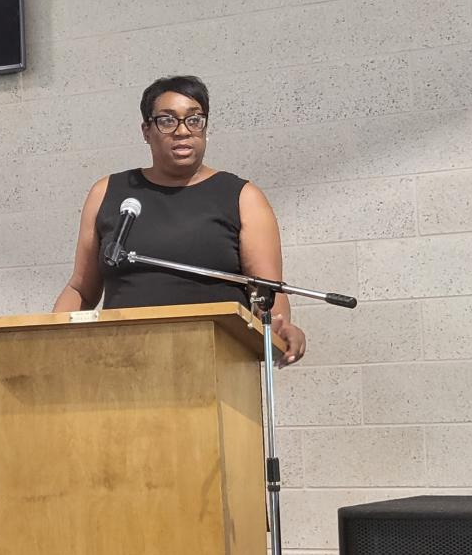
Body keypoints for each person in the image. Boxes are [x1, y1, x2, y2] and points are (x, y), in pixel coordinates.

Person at [53, 75, 306, 366]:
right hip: (120, 363)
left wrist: (279, 326)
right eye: (167, 120)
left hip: (214, 365)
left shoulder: (243, 197)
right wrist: (47, 337)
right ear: (146, 130)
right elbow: (81, 290)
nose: (183, 131)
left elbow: (267, 293)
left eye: (194, 120)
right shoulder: (108, 193)